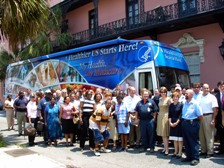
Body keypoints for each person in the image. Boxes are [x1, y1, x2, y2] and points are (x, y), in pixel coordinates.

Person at [181, 89, 203, 166]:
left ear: (191, 95)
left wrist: (195, 123)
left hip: (192, 123)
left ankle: (195, 158)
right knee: (186, 141)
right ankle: (189, 156)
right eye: (185, 93)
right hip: (185, 123)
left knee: (193, 141)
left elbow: (200, 116)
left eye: (187, 93)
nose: (185, 94)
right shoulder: (185, 103)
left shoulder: (195, 103)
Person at [198, 83, 218, 158]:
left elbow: (215, 109)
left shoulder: (212, 97)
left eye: (207, 88)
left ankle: (210, 152)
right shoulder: (199, 97)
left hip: (209, 116)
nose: (206, 89)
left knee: (209, 135)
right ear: (202, 89)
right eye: (204, 88)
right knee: (201, 135)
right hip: (201, 117)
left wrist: (213, 119)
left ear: (209, 89)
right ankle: (203, 151)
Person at [157, 86, 171, 155]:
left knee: (165, 134)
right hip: (160, 116)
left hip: (165, 116)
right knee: (162, 134)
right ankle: (165, 148)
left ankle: (167, 149)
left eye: (164, 92)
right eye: (162, 92)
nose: (163, 93)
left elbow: (171, 108)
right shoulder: (160, 99)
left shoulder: (168, 99)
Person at [168, 92, 183, 158]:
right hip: (172, 122)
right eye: (174, 97)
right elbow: (169, 115)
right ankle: (175, 151)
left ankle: (180, 152)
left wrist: (177, 122)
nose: (175, 98)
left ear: (178, 97)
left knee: (179, 139)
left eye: (177, 97)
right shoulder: (171, 105)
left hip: (179, 123)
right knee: (174, 139)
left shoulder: (181, 105)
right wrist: (170, 123)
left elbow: (181, 115)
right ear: (172, 98)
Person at [214, 81, 224, 154]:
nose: (222, 87)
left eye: (223, 85)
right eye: (220, 86)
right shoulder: (215, 96)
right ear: (218, 87)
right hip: (219, 118)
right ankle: (222, 148)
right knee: (221, 134)